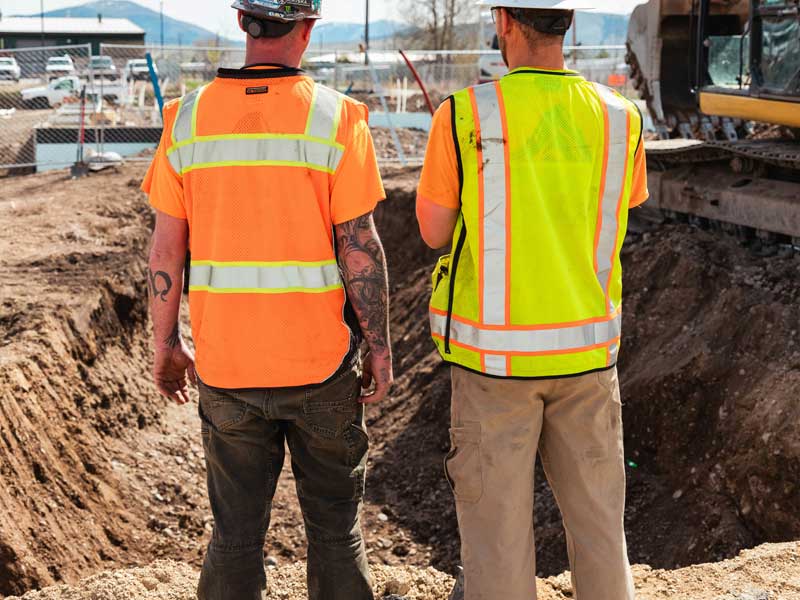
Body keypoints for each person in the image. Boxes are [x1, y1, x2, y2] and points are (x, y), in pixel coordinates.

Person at [142, 1, 393, 598]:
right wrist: (379, 347)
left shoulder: (185, 120)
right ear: (307, 28)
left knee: (234, 537)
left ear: (242, 24)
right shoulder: (338, 118)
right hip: (320, 366)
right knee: (335, 532)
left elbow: (164, 252)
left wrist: (166, 344)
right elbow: (360, 248)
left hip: (227, 369)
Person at [416, 1, 649, 599]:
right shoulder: (620, 117)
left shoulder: (466, 114)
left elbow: (434, 232)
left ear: (503, 21)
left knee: (496, 541)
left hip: (495, 366)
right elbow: (615, 209)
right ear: (566, 22)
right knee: (601, 530)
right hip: (588, 358)